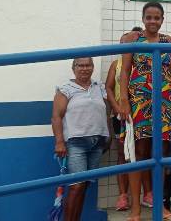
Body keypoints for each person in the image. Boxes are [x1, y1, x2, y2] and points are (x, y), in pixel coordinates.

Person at [118, 1, 171, 221]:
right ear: (143, 19)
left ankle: (160, 208)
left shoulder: (167, 41)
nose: (153, 21)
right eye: (149, 17)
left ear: (162, 20)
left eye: (157, 18)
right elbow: (124, 72)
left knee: (160, 154)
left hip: (163, 100)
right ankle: (135, 210)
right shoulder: (133, 40)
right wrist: (124, 100)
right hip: (139, 100)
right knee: (139, 153)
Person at [52, 57, 110, 221]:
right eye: (80, 65)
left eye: (88, 65)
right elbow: (56, 117)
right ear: (73, 68)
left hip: (97, 143)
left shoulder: (99, 87)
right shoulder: (65, 89)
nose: (84, 68)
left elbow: (105, 113)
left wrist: (109, 135)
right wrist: (59, 142)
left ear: (93, 67)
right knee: (76, 186)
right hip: (76, 144)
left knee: (84, 186)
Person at [105, 27, 150, 212]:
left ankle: (147, 194)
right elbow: (108, 88)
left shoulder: (145, 62)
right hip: (121, 115)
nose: (128, 46)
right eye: (124, 43)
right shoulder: (116, 64)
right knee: (124, 155)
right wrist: (118, 108)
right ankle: (123, 196)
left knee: (145, 153)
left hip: (141, 114)